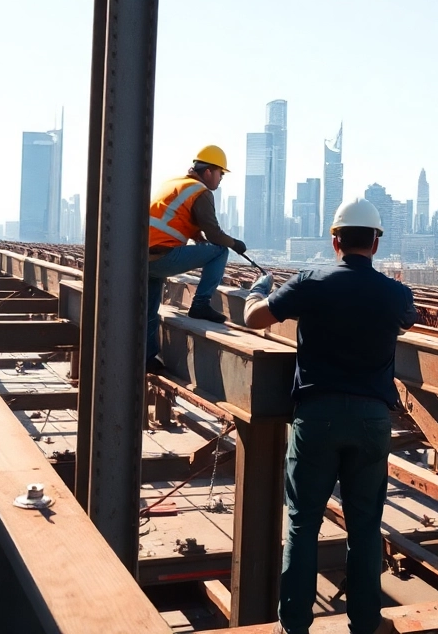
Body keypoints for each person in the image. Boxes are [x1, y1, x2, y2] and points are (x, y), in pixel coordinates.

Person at [242, 198, 417, 634]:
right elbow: (408, 321)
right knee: (365, 525)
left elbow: (254, 319)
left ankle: (295, 626)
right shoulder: (395, 294)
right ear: (375, 242)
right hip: (372, 420)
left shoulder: (310, 282)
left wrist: (258, 289)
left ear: (334, 239)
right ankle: (365, 623)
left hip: (316, 416)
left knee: (302, 525)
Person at [146, 145, 247, 368]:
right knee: (220, 251)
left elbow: (174, 218)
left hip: (142, 258)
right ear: (208, 171)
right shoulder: (201, 192)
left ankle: (146, 358)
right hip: (163, 255)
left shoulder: (174, 184)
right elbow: (214, 234)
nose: (221, 180)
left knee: (150, 309)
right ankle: (200, 303)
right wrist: (234, 244)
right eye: (221, 173)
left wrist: (197, 236)